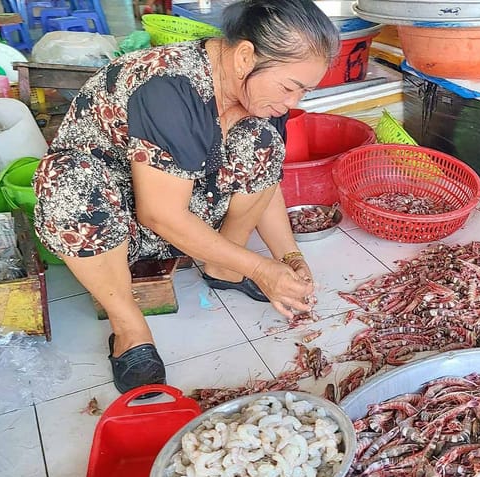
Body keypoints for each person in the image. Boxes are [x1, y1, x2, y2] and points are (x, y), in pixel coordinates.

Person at [33, 0, 339, 394]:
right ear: (246, 56)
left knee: (261, 139)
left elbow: (267, 178)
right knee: (67, 181)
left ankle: (223, 267)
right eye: (290, 87)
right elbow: (159, 213)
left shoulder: (259, 93)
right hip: (110, 220)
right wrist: (262, 270)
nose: (293, 102)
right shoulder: (170, 87)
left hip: (181, 202)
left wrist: (289, 257)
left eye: (304, 90)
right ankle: (129, 328)